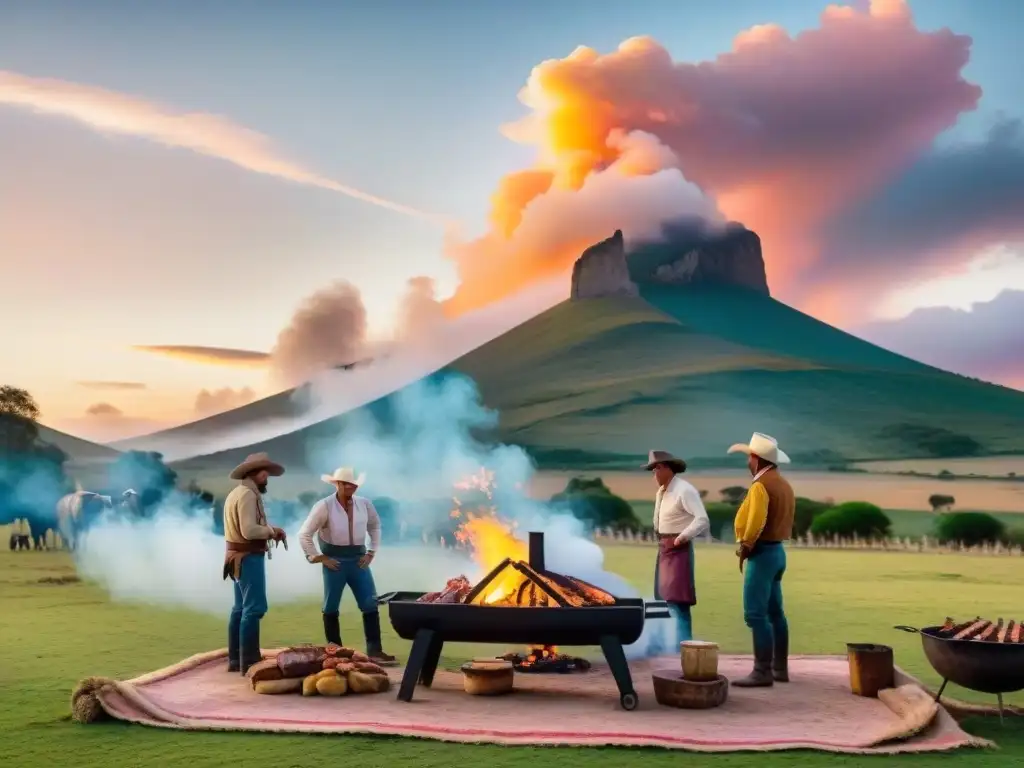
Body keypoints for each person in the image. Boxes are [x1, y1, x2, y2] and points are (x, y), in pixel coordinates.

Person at [298, 467, 398, 666]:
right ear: (338, 484)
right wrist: (319, 558)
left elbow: (375, 526)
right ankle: (334, 651)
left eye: (353, 485)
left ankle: (375, 651)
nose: (351, 488)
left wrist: (372, 551)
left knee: (370, 603)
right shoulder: (324, 506)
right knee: (331, 606)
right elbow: (305, 533)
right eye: (347, 484)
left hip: (359, 559)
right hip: (334, 561)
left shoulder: (364, 504)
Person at [727, 433, 796, 688]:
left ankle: (761, 671)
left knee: (755, 615)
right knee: (776, 612)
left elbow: (756, 522)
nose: (747, 461)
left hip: (762, 553)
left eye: (749, 457)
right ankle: (780, 668)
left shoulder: (760, 486)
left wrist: (746, 547)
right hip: (778, 552)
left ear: (756, 459)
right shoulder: (784, 484)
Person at [222, 452, 288, 674]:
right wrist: (272, 531)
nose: (267, 476)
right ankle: (249, 661)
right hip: (248, 557)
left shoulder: (236, 493)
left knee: (240, 609)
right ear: (256, 473)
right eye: (264, 472)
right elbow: (249, 531)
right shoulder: (249, 495)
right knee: (254, 608)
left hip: (237, 556)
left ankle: (235, 659)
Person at [644, 449, 710, 645]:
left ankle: (682, 649)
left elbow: (702, 519)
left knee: (677, 601)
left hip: (678, 548)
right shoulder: (662, 491)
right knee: (666, 599)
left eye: (656, 469)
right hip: (664, 548)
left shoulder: (684, 490)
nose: (654, 474)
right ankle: (672, 646)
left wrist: (681, 538)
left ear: (666, 468)